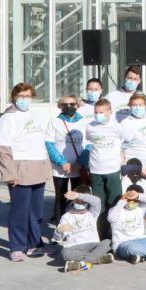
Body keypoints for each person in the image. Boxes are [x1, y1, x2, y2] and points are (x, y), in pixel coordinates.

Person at [83, 99, 125, 239]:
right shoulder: (90, 126)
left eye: (101, 112)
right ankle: (102, 235)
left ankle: (116, 235)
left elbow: (125, 140)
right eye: (96, 112)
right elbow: (89, 141)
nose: (98, 115)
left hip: (112, 170)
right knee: (99, 204)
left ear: (110, 112)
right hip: (95, 170)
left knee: (114, 202)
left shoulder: (117, 127)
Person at [44, 94, 87, 223]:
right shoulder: (54, 122)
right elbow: (49, 144)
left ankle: (76, 224)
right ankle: (59, 226)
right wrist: (62, 162)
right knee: (60, 197)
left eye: (72, 104)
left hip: (78, 167)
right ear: (60, 107)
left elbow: (89, 144)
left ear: (77, 105)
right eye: (65, 104)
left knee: (78, 197)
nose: (69, 106)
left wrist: (80, 163)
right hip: (60, 167)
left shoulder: (84, 122)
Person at [52, 186, 113, 272]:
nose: (80, 202)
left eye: (83, 200)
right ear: (73, 200)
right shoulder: (67, 216)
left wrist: (78, 195)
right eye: (76, 199)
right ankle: (96, 258)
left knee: (108, 242)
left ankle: (81, 263)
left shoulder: (92, 212)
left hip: (93, 245)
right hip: (76, 248)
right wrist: (59, 231)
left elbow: (97, 201)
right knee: (65, 253)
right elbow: (57, 239)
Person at [121, 93, 146, 193]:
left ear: (145, 106)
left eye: (141, 105)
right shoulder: (126, 123)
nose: (138, 107)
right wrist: (136, 167)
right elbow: (121, 147)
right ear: (130, 106)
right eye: (135, 105)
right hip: (135, 167)